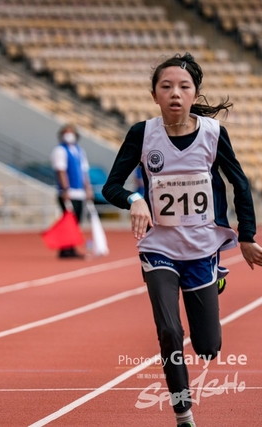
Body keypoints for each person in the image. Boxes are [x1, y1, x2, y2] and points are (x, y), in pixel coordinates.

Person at [102, 52, 262, 427]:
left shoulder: (213, 134)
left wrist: (247, 237)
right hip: (158, 246)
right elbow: (111, 186)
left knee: (208, 347)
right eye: (166, 87)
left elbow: (240, 184)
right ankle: (183, 412)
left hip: (202, 247)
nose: (175, 93)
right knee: (170, 330)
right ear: (155, 95)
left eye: (184, 87)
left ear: (194, 94)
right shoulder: (142, 134)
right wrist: (134, 199)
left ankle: (216, 277)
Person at [50, 123, 94, 258]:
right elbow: (61, 171)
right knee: (68, 221)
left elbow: (84, 172)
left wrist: (88, 188)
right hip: (68, 192)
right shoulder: (60, 150)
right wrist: (65, 190)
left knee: (76, 222)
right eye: (66, 132)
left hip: (80, 192)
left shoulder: (80, 151)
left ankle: (71, 247)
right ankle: (65, 249)